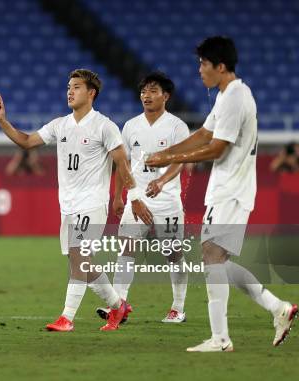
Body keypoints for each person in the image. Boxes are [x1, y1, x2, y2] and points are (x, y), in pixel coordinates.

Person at [146, 36, 298, 352]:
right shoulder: (227, 96)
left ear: (220, 66)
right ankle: (277, 308)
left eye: (203, 64)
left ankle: (221, 338)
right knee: (217, 260)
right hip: (228, 189)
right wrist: (168, 152)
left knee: (211, 257)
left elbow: (216, 148)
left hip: (231, 190)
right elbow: (204, 133)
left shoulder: (235, 98)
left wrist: (172, 159)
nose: (199, 70)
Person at [0, 69, 153, 332]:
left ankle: (67, 318)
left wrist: (132, 196)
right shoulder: (60, 125)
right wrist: (2, 121)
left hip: (92, 203)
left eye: (76, 87)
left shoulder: (104, 126)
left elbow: (122, 163)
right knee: (82, 263)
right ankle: (118, 305)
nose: (70, 91)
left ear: (91, 93)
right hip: (67, 205)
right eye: (69, 86)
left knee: (79, 257)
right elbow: (26, 141)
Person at [96, 72, 190, 324]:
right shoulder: (131, 126)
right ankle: (119, 304)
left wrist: (161, 181)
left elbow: (181, 160)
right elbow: (123, 164)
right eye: (143, 91)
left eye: (152, 91)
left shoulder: (177, 126)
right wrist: (117, 196)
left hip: (167, 200)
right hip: (136, 199)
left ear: (165, 96)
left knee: (173, 254)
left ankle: (178, 307)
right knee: (127, 249)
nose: (146, 96)